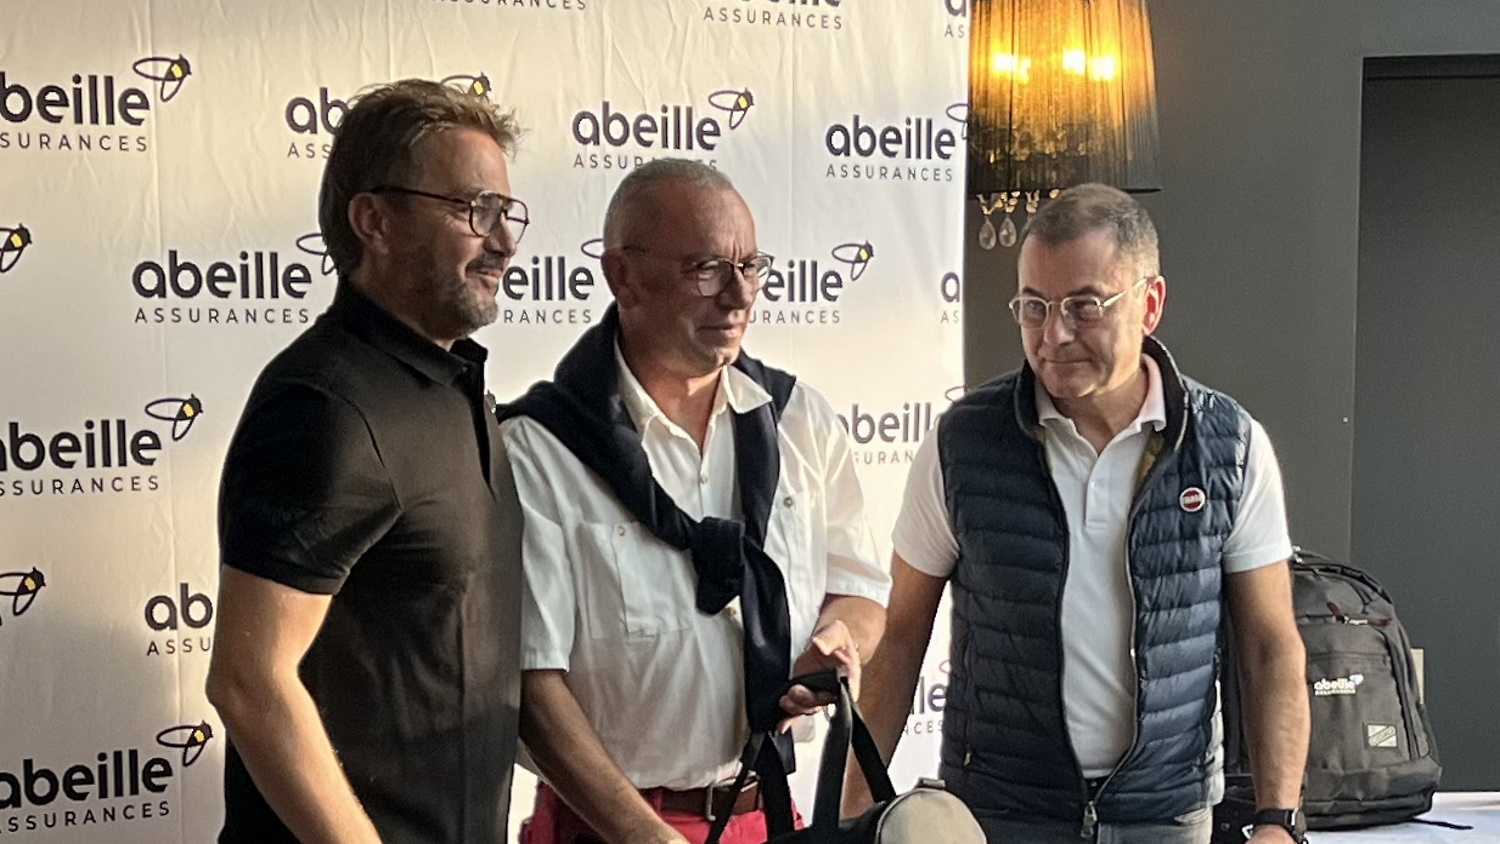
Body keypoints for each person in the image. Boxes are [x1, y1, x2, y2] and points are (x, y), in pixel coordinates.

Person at [847, 184, 1310, 844]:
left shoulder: (1228, 446)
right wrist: (848, 817)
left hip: (1165, 816)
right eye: (1034, 306)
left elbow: (1269, 646)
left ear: (1150, 304)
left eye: (1084, 306)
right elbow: (899, 637)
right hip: (1000, 814)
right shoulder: (962, 444)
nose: (1054, 334)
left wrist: (1278, 819)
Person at [499, 158, 890, 844]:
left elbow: (858, 595)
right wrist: (642, 835)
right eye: (706, 269)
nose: (738, 297)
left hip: (765, 816)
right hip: (605, 830)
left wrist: (836, 643)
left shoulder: (801, 421)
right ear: (623, 275)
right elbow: (531, 685)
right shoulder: (539, 451)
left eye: (751, 267)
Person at [206, 78, 529, 844]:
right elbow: (249, 681)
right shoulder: (323, 406)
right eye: (473, 209)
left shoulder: (455, 387)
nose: (504, 241)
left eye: (507, 212)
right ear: (375, 220)